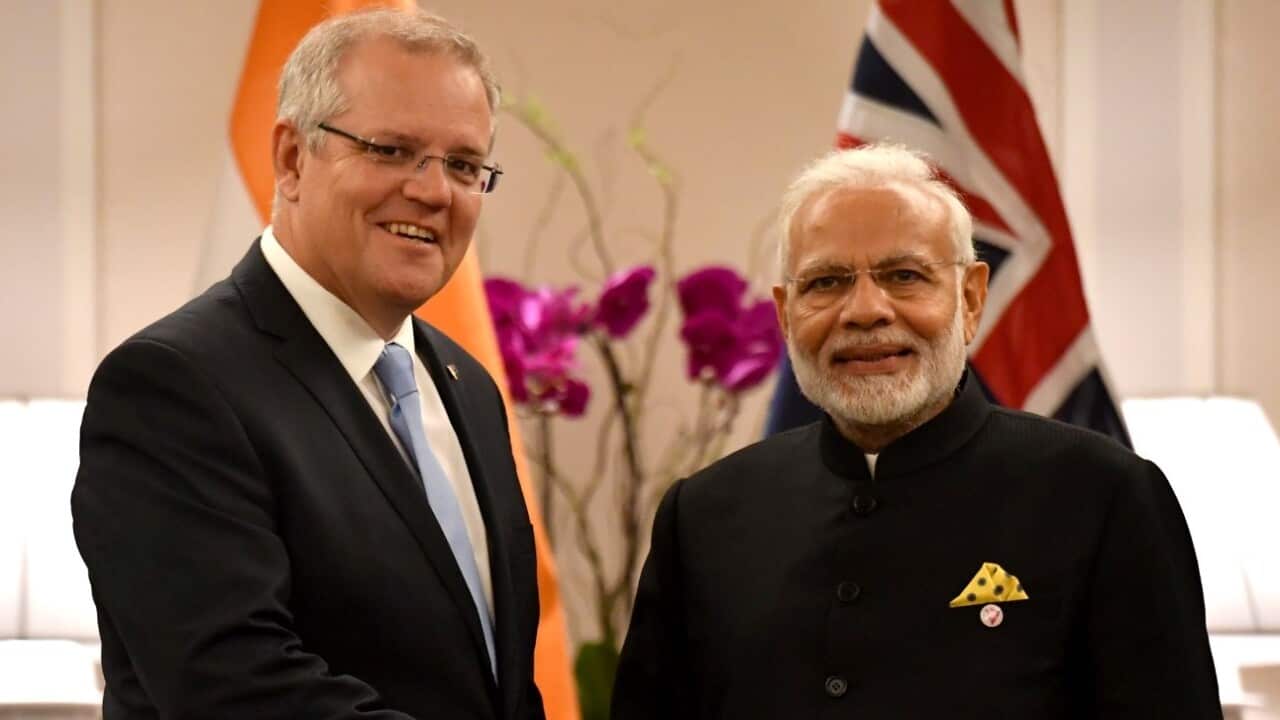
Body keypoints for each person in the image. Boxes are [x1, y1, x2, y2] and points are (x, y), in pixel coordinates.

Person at [611, 144, 1221, 718]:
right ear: (785, 314)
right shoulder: (704, 516)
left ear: (972, 298)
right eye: (826, 282)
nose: (866, 310)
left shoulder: (1104, 497)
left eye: (905, 275)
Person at [72, 8, 545, 719]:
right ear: (293, 159)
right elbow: (237, 689)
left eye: (464, 165)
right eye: (390, 150)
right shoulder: (173, 388)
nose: (433, 190)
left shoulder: (465, 387)